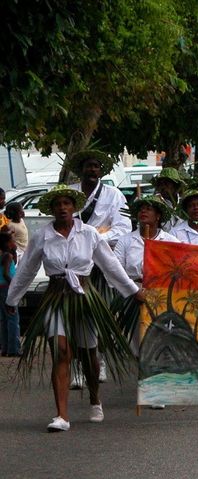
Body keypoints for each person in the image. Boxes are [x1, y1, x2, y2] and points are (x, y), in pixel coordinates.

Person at [5, 185, 143, 432]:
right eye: (58, 204)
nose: (62, 208)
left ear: (74, 207)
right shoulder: (43, 236)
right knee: (60, 351)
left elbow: (110, 265)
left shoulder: (89, 234)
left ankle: (94, 398)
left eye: (66, 203)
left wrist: (132, 291)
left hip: (85, 297)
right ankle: (62, 416)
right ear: (52, 209)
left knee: (89, 353)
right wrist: (12, 299)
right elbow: (26, 268)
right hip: (56, 297)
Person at [69, 150, 132, 386]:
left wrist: (92, 238)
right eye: (88, 166)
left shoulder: (114, 195)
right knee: (74, 317)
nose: (92, 170)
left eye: (96, 166)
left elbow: (123, 228)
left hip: (102, 265)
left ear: (101, 171)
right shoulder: (70, 193)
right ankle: (77, 368)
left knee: (103, 314)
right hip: (74, 266)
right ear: (81, 169)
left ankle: (100, 362)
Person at [114, 196, 178, 353]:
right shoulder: (126, 241)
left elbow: (181, 271)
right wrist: (134, 291)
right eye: (141, 209)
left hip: (162, 297)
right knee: (139, 345)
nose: (143, 211)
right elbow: (116, 270)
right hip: (134, 296)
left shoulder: (171, 242)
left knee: (161, 344)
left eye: (148, 209)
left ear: (158, 216)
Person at [0, 231, 20, 357]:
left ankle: (5, 348)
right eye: (13, 240)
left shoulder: (3, 255)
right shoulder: (7, 256)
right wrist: (15, 287)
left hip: (1, 288)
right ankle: (14, 349)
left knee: (4, 319)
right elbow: (6, 274)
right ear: (8, 243)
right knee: (13, 318)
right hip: (7, 288)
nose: (15, 242)